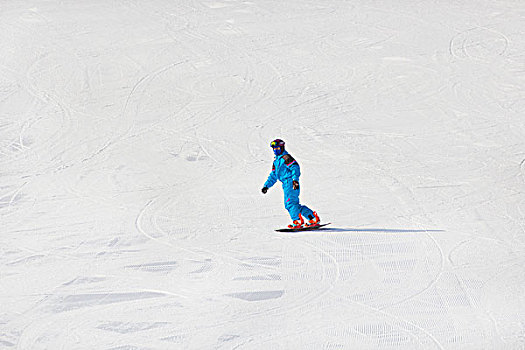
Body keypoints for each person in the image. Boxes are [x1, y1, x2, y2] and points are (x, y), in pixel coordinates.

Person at [261, 139, 320, 229]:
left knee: (290, 203)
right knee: (294, 205)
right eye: (274, 149)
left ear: (282, 148)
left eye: (277, 148)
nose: (275, 150)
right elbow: (273, 175)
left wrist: (295, 180)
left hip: (290, 183)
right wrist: (266, 186)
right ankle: (312, 218)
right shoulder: (276, 161)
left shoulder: (286, 157)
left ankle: (297, 221)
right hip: (286, 184)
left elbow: (295, 167)